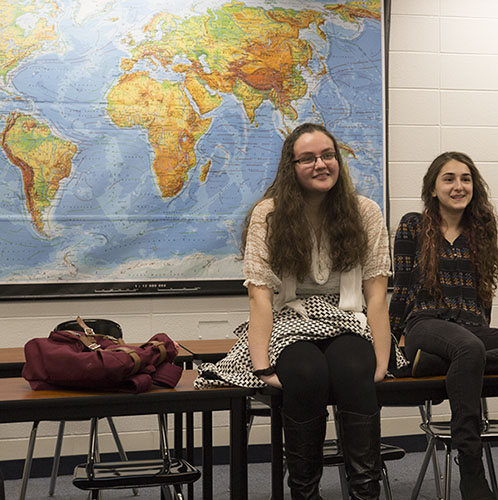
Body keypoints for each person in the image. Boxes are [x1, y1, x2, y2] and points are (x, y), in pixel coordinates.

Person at [195, 122, 392, 499]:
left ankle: (366, 492)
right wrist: (261, 364)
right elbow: (260, 297)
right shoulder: (269, 215)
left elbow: (377, 295)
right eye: (308, 158)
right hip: (290, 319)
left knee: (355, 368)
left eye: (328, 155)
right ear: (291, 166)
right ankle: (304, 493)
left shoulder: (365, 212)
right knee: (306, 372)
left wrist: (380, 359)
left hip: (346, 316)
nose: (321, 164)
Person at [389, 151, 498, 500]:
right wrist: (392, 344)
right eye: (448, 179)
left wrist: (482, 332)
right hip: (426, 322)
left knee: (470, 347)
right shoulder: (412, 225)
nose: (458, 186)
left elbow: (485, 294)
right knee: (469, 349)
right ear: (433, 188)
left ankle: (440, 363)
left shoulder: (484, 230)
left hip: (469, 327)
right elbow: (402, 287)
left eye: (465, 178)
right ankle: (471, 466)